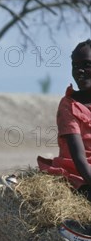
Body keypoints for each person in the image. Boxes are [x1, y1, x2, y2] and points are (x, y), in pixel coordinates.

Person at [38, 39, 91, 199]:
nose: (79, 71)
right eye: (75, 66)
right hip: (80, 176)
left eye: (86, 64)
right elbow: (79, 158)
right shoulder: (69, 105)